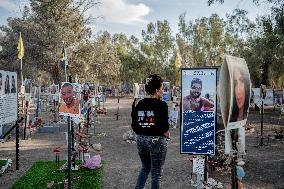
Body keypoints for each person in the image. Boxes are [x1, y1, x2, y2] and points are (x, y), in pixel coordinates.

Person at [131, 74, 170, 189]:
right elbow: (164, 128)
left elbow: (134, 125)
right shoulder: (162, 105)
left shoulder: (140, 103)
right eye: (162, 88)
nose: (163, 91)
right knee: (156, 173)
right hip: (156, 141)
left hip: (141, 140)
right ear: (157, 90)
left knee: (145, 167)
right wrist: (165, 132)